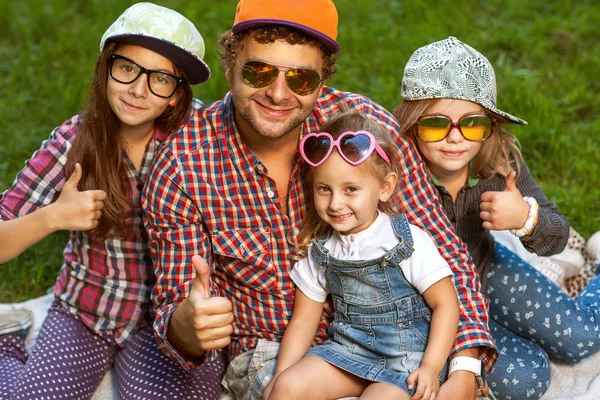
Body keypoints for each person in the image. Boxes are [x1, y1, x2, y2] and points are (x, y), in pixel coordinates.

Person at [143, 1, 497, 399]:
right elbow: (176, 311)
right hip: (276, 348)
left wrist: (464, 370)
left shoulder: (367, 132)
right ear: (230, 65)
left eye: (300, 79)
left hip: (405, 340)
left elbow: (446, 256)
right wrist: (187, 326)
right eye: (259, 71)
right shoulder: (182, 164)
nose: (278, 94)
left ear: (322, 80)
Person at [0, 3, 224, 399]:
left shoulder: (199, 139)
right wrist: (53, 217)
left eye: (160, 79)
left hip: (165, 321)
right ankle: (9, 348)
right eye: (127, 69)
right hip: (86, 310)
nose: (139, 89)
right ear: (106, 68)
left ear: (176, 95)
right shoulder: (74, 141)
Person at [393, 36, 600, 399]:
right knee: (526, 378)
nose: (454, 138)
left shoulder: (498, 163)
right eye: (435, 124)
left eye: (471, 123)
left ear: (489, 124)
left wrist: (525, 219)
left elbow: (557, 236)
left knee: (581, 338)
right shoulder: (392, 174)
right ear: (411, 125)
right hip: (428, 301)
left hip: (487, 269)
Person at [262, 111, 459, 400]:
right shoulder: (322, 249)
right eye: (324, 189)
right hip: (348, 352)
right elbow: (304, 320)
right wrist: (280, 375)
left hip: (406, 362)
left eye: (351, 189)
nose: (336, 203)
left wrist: (431, 367)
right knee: (287, 387)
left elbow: (446, 305)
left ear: (385, 187)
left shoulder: (404, 240)